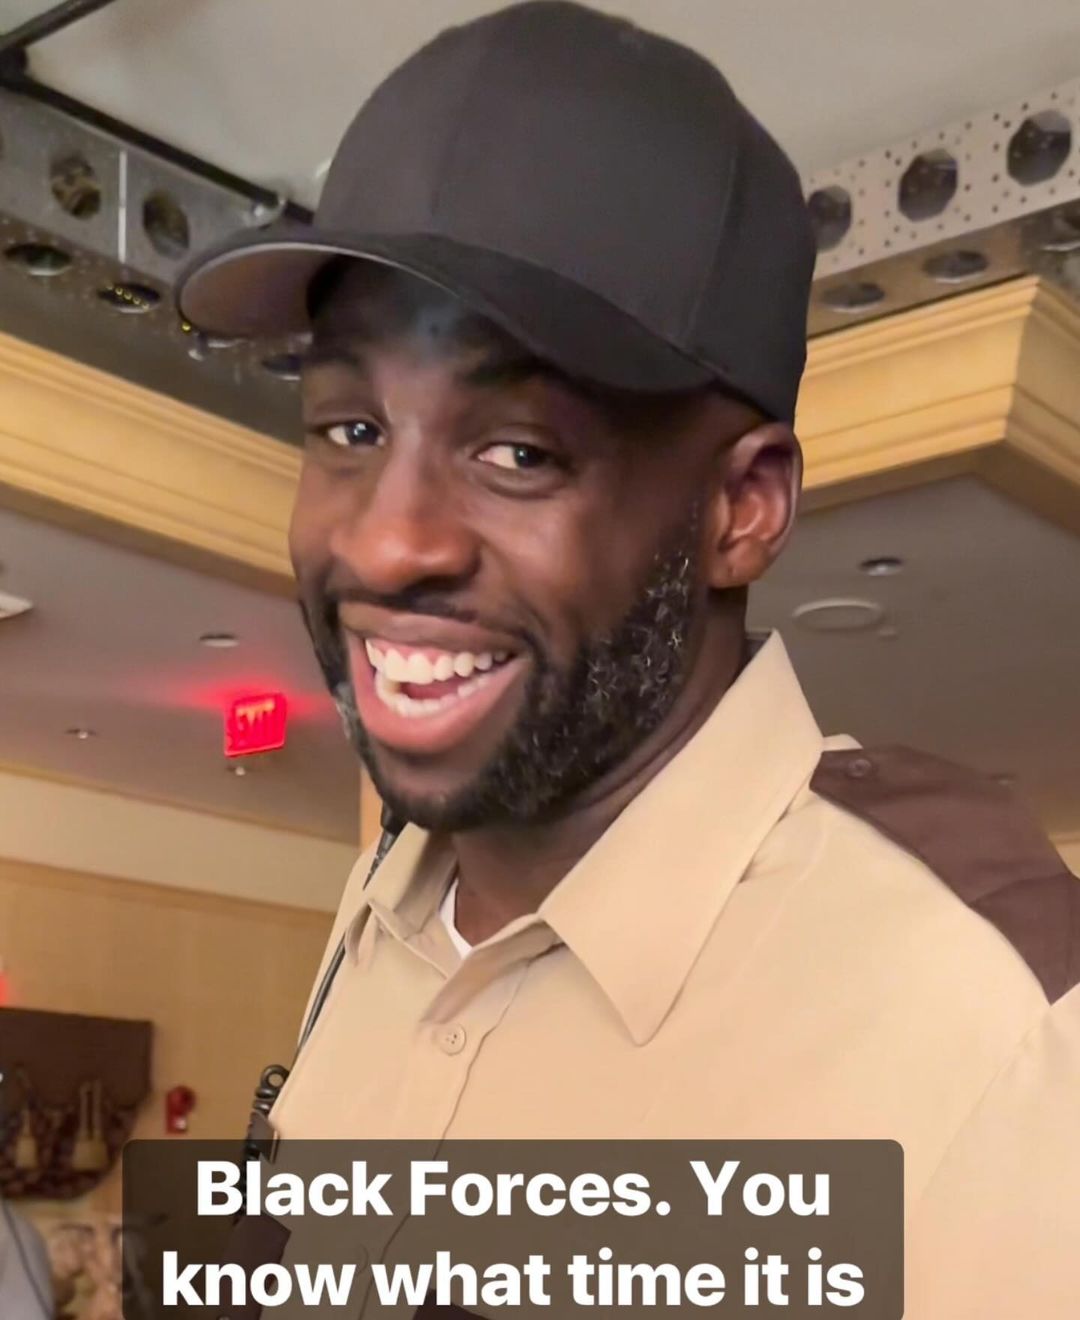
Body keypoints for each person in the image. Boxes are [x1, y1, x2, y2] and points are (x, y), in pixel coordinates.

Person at [178, 3, 1079, 1313]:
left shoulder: (995, 1021)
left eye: (518, 452)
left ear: (741, 508)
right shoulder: (383, 906)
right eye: (351, 430)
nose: (383, 544)